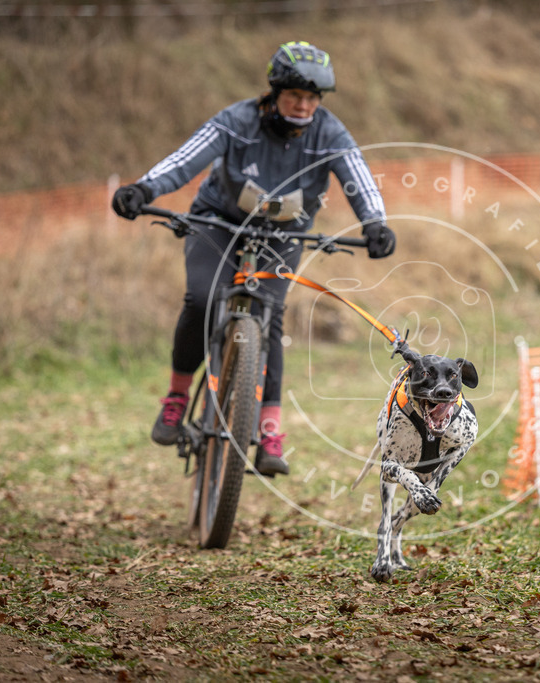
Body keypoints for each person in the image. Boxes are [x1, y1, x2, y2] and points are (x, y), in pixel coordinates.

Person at [111, 40, 394, 476]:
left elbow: (356, 175)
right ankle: (176, 397)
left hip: (283, 233)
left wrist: (375, 223)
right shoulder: (238, 121)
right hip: (218, 221)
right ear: (275, 93)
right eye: (294, 96)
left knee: (270, 311)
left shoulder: (330, 133)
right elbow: (187, 159)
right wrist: (144, 189)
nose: (303, 106)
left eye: (312, 99)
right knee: (203, 299)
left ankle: (269, 428)